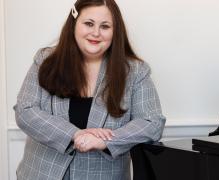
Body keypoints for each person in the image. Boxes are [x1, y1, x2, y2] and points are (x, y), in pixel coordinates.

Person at [14, 0, 166, 179]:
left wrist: (106, 140)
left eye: (105, 26)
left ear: (115, 31)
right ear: (74, 24)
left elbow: (152, 123)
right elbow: (25, 111)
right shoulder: (45, 59)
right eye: (88, 23)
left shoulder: (135, 71)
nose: (96, 33)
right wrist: (74, 134)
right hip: (41, 174)